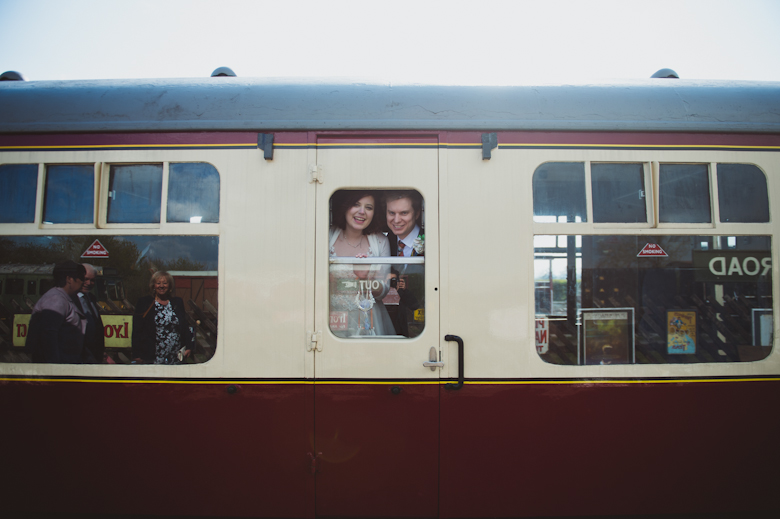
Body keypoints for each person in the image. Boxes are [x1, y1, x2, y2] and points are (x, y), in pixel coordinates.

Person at [329, 190, 395, 337]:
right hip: (333, 317)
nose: (361, 212)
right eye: (356, 205)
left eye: (369, 207)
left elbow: (382, 293)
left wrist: (366, 279)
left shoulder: (380, 242)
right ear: (345, 207)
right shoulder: (327, 236)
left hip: (367, 319)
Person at [26, 261, 92, 363]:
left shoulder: (64, 298)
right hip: (58, 366)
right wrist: (55, 367)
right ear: (69, 279)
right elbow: (49, 335)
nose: (83, 282)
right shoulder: (56, 300)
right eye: (81, 278)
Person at [131, 271, 193, 364]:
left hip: (174, 355)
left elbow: (184, 326)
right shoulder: (144, 303)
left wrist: (188, 346)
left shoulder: (177, 302)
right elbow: (137, 330)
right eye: (158, 283)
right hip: (152, 355)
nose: (161, 286)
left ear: (170, 286)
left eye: (165, 283)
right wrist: (136, 354)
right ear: (153, 285)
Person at [385, 191, 424, 337]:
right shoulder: (383, 242)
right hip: (392, 322)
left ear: (417, 213)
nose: (396, 220)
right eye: (391, 213)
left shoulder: (430, 239)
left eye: (404, 213)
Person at [75, 263, 106, 362]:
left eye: (92, 280)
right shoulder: (70, 300)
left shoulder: (91, 298)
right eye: (86, 279)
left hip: (94, 355)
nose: (88, 283)